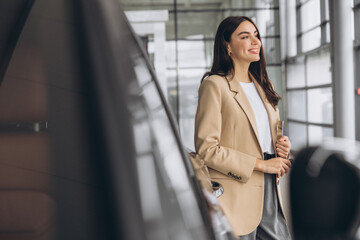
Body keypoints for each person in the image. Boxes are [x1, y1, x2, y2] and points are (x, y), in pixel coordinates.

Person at [194, 16, 293, 239]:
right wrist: (262, 165)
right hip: (235, 195)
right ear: (227, 45)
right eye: (245, 36)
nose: (255, 41)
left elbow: (263, 137)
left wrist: (281, 147)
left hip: (270, 193)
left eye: (256, 35)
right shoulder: (215, 85)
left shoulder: (264, 86)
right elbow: (207, 149)